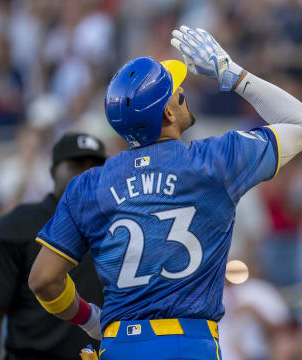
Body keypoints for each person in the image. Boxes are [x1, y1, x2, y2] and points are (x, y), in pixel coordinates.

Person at [28, 25, 302, 360]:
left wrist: (91, 321)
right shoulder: (213, 160)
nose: (182, 87)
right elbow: (299, 122)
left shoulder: (88, 185)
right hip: (189, 342)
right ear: (168, 113)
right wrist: (232, 73)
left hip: (120, 344)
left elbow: (43, 280)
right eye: (175, 89)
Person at [0, 133, 106, 360]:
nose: (87, 172)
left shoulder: (120, 222)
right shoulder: (14, 226)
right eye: (76, 165)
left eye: (96, 165)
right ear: (53, 172)